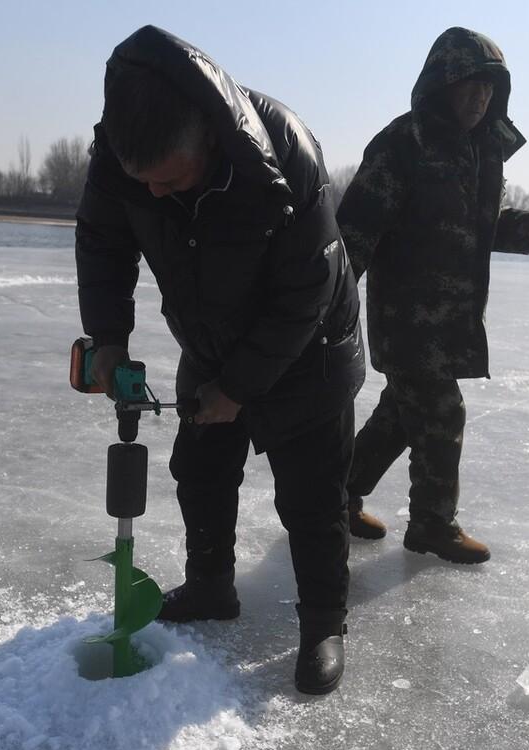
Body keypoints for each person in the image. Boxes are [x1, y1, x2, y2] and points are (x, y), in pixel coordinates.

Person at [76, 26, 365, 695]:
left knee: (312, 497)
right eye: (138, 182)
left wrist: (239, 387)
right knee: (200, 467)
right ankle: (211, 585)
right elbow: (101, 241)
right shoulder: (121, 151)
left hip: (311, 344)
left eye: (169, 181)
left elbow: (306, 291)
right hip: (208, 333)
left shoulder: (284, 152)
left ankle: (324, 623)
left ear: (206, 134)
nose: (153, 195)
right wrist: (108, 336)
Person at [337, 27, 529, 564]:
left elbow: (477, 228)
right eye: (467, 86)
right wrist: (330, 308)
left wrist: (523, 231)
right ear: (441, 84)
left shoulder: (482, 153)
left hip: (454, 317)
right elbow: (354, 232)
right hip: (407, 316)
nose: (479, 98)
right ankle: (433, 524)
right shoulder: (402, 143)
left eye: (488, 89)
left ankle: (336, 496)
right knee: (440, 412)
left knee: (401, 414)